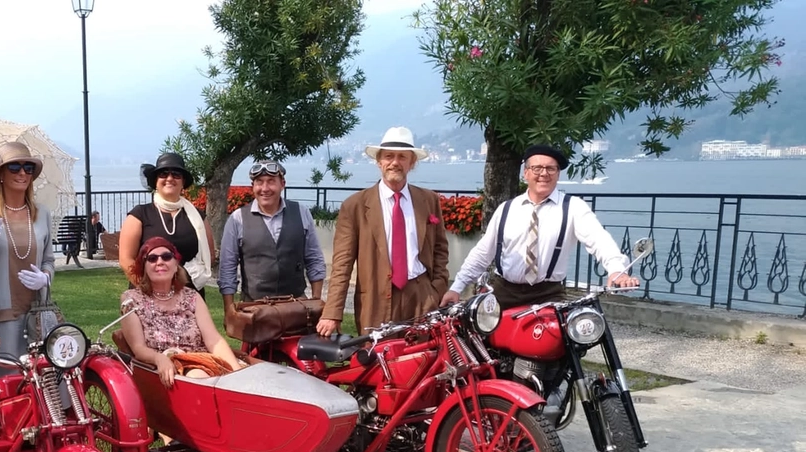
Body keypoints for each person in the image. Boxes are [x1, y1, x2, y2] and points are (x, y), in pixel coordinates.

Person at [441, 144, 641, 308]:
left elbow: (598, 239)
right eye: (537, 168)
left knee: (556, 351)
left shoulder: (573, 208)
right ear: (526, 173)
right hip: (503, 292)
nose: (543, 173)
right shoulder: (507, 209)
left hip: (548, 294)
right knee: (488, 351)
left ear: (558, 174)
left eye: (550, 168)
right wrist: (456, 288)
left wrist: (616, 269)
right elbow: (482, 253)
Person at [317, 127, 449, 336]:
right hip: (375, 301)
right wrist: (332, 312)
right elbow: (342, 263)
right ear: (379, 161)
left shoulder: (428, 200)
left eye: (402, 157)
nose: (395, 162)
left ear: (412, 163)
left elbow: (441, 249)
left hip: (422, 298)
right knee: (377, 361)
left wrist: (437, 288)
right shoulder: (356, 206)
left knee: (424, 360)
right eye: (389, 156)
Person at [0, 141, 57, 358]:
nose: (23, 173)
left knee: (43, 382)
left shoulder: (41, 213)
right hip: (1, 315)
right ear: (1, 174)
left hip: (38, 313)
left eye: (29, 168)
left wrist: (45, 277)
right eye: (15, 167)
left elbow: (49, 261)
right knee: (7, 380)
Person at [120, 237, 241, 388]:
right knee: (199, 378)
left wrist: (237, 373)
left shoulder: (192, 296)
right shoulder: (131, 299)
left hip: (201, 362)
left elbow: (213, 340)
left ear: (176, 265)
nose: (160, 262)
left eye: (166, 256)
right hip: (164, 371)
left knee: (247, 376)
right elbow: (138, 348)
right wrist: (159, 359)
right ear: (144, 267)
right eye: (151, 258)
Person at [218, 159, 327, 319]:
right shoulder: (237, 219)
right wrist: (229, 309)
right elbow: (227, 267)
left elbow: (314, 258)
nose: (265, 188)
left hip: (296, 306)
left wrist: (316, 301)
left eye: (271, 182)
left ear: (282, 184)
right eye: (259, 182)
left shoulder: (302, 213)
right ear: (252, 186)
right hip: (254, 309)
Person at [118, 152, 215, 295]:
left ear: (183, 183)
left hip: (189, 296)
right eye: (163, 174)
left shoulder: (198, 217)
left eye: (176, 174)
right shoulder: (139, 215)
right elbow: (126, 259)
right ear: (156, 182)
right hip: (147, 295)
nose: (169, 178)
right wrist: (151, 290)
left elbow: (209, 256)